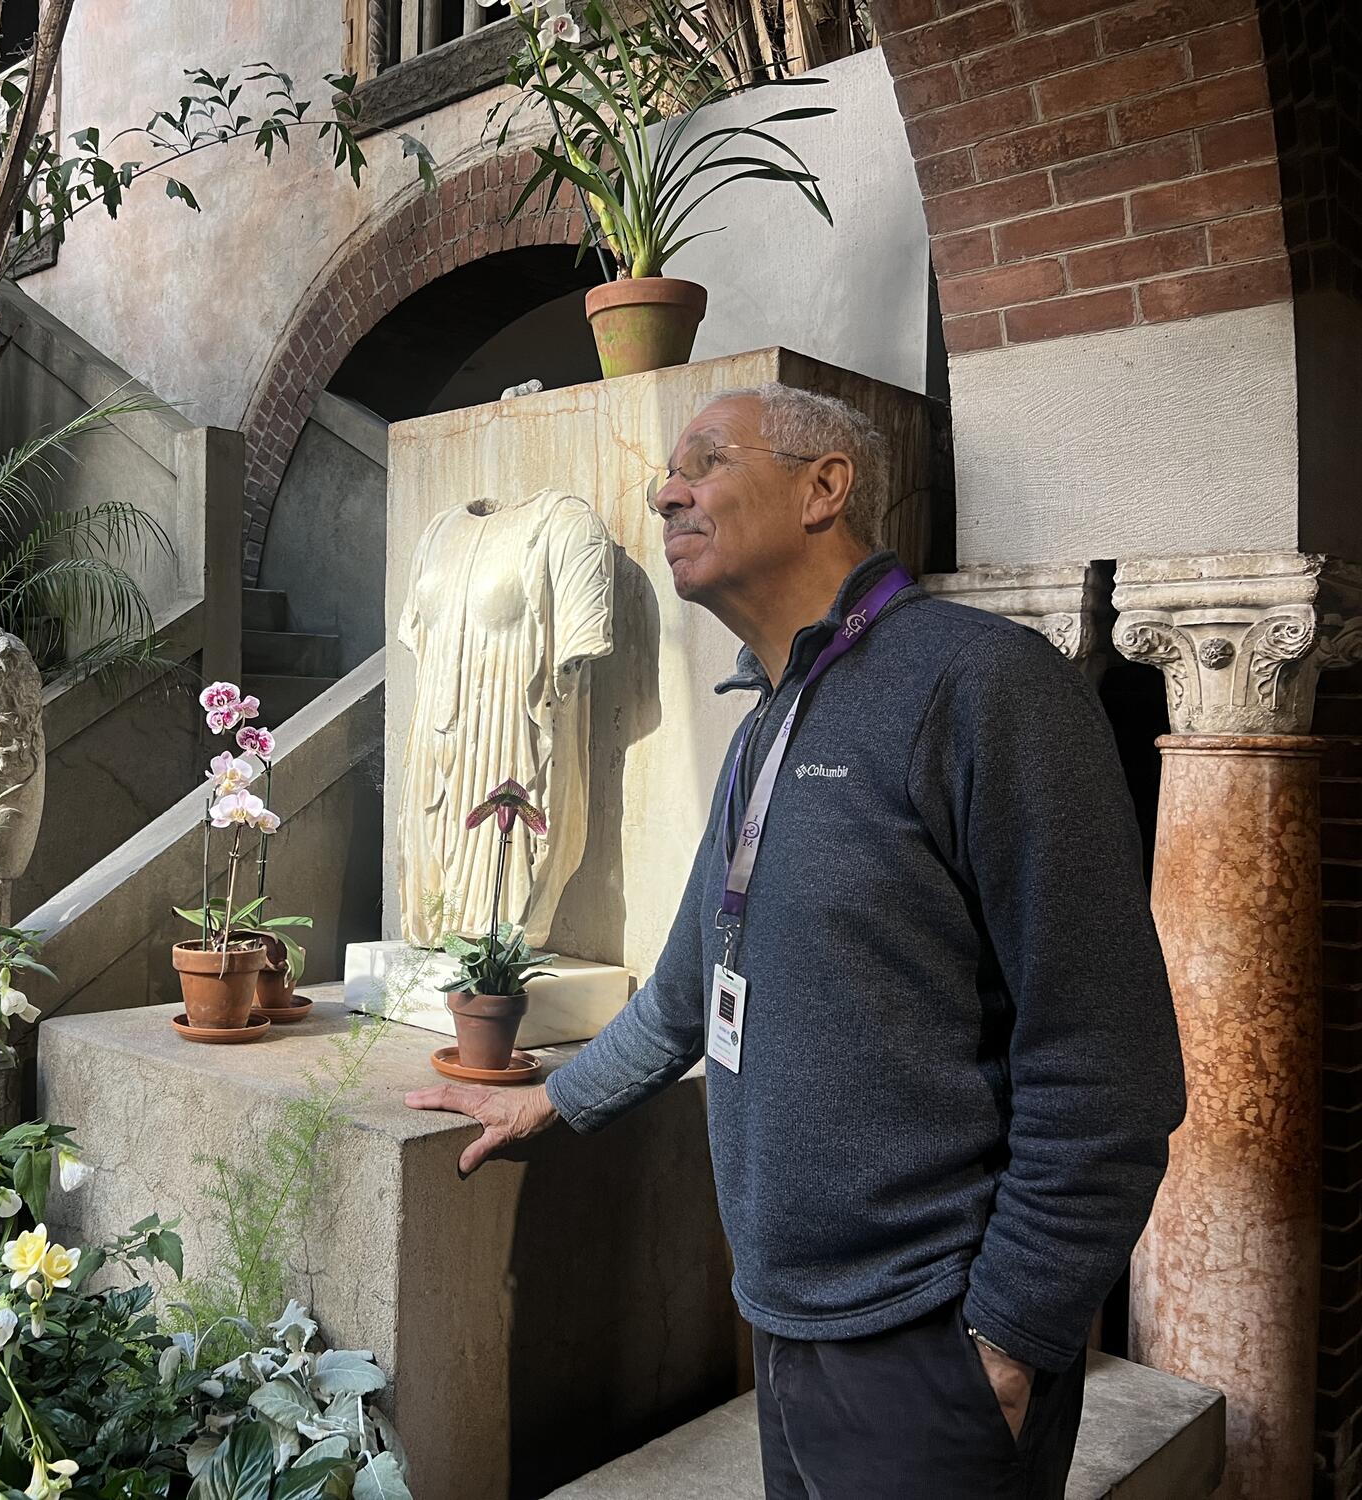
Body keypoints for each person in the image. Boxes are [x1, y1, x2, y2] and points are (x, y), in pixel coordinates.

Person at [405, 383, 1186, 1499]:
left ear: (825, 487)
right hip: (784, 1326)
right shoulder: (767, 719)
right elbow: (688, 994)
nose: (664, 489)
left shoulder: (981, 686)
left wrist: (1006, 1339)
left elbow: (1107, 1068)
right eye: (664, 473)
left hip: (931, 1338)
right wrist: (547, 1100)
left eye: (705, 460)